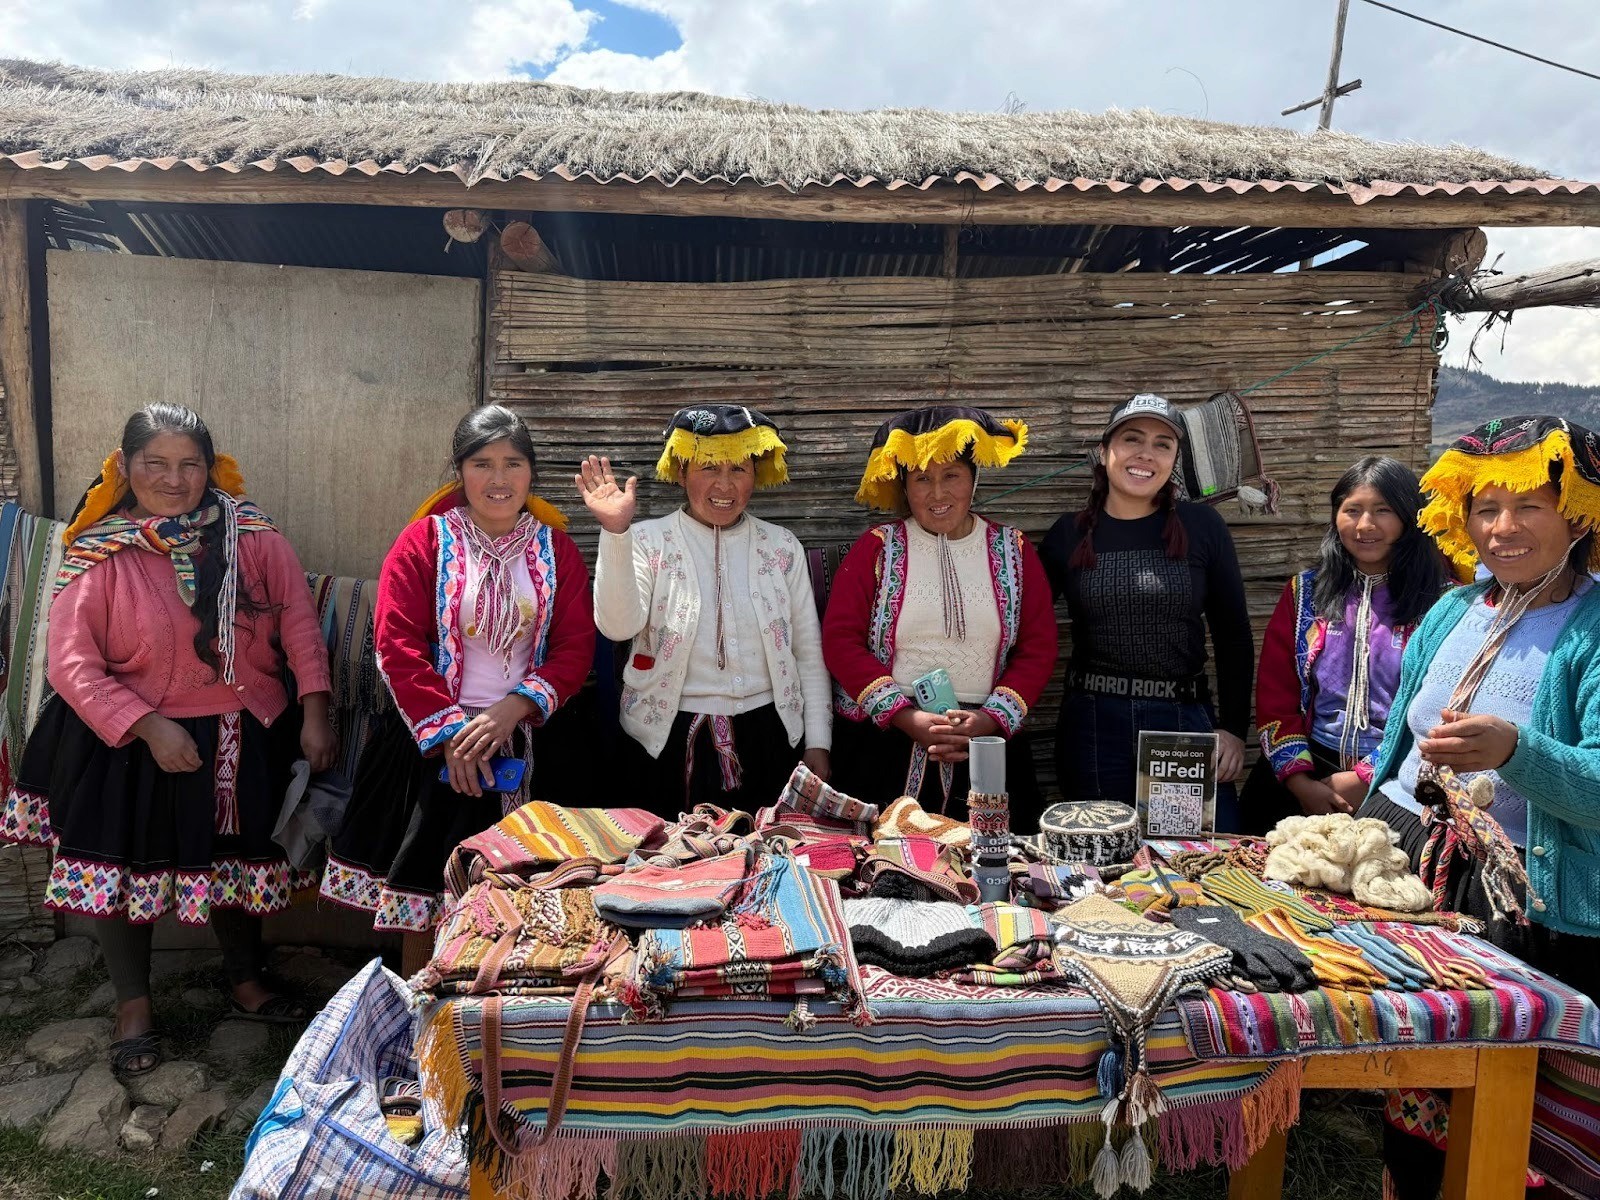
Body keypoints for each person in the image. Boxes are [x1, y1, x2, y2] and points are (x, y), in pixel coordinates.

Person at [0, 404, 335, 1076]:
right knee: (123, 870)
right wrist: (148, 726)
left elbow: (298, 626)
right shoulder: (100, 549)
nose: (174, 479)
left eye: (190, 464)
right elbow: (70, 662)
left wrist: (316, 710)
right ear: (124, 467)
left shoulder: (255, 539)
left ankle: (246, 980)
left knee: (237, 862)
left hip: (240, 730)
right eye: (155, 463)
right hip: (123, 737)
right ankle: (133, 1006)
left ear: (211, 469)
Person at [1360, 419, 1600, 1198]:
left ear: (1580, 512)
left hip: (1525, 907)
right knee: (1417, 1104)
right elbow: (1402, 741)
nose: (1502, 528)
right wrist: (1362, 822)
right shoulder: (1453, 610)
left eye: (1528, 504)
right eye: (1486, 507)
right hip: (1418, 884)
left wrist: (1515, 751)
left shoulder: (1593, 632)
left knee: (1509, 1130)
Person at [321, 406, 595, 932]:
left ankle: (513, 1003)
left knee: (542, 903)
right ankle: (417, 1000)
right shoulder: (423, 543)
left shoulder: (557, 550)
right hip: (434, 742)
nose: (499, 479)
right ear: (459, 471)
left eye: (513, 464)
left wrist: (514, 708)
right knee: (423, 898)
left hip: (534, 737)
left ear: (531, 473)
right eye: (482, 463)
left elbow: (575, 645)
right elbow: (396, 645)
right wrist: (452, 735)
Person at [578, 405, 829, 818]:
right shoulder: (645, 541)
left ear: (757, 474)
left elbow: (807, 652)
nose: (724, 485)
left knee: (764, 865)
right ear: (680, 471)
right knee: (671, 872)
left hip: (769, 737)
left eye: (739, 470)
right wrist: (615, 532)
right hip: (665, 743)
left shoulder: (781, 548)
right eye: (709, 467)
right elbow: (617, 626)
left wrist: (818, 741)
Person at [823, 405, 1058, 823]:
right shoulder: (877, 548)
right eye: (921, 479)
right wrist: (905, 716)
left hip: (984, 740)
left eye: (951, 475)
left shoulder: (1014, 551)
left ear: (973, 479)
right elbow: (840, 641)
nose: (937, 494)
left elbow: (1038, 647)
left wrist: (988, 720)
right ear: (904, 486)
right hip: (886, 741)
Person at [1039, 394, 1253, 829]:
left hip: (1181, 727)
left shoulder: (1203, 527)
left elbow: (1233, 635)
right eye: (1131, 439)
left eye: (1162, 444)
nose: (1145, 454)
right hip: (1094, 725)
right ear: (1105, 453)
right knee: (1099, 862)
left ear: (1174, 459)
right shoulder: (1068, 534)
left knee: (1197, 859)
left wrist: (1232, 728)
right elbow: (1027, 630)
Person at [1239, 457, 1451, 833]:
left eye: (1383, 511)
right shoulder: (1305, 593)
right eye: (1352, 510)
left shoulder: (1444, 603)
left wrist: (1364, 777)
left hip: (1398, 780)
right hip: (1304, 772)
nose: (1365, 525)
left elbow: (1440, 708)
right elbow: (1277, 694)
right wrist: (1300, 782)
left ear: (1410, 517)